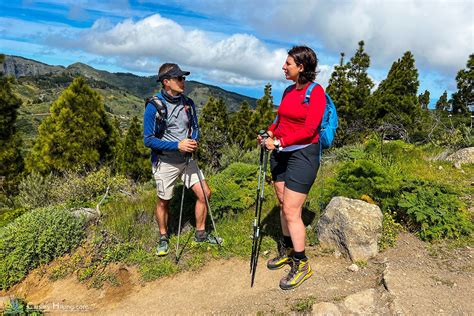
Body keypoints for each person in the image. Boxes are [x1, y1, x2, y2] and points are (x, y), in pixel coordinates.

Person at [259, 46, 326, 290]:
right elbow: (280, 121)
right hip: (281, 154)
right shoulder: (289, 90)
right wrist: (269, 132)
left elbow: (310, 129)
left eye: (288, 63)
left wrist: (279, 141)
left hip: (303, 155)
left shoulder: (316, 92)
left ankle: (302, 263)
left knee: (291, 209)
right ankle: (289, 250)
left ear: (302, 67)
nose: (283, 67)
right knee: (282, 204)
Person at [143, 63, 222, 257]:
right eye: (179, 78)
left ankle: (200, 234)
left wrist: (193, 140)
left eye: (183, 78)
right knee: (164, 201)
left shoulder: (188, 103)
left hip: (187, 159)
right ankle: (163, 237)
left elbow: (194, 127)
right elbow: (148, 140)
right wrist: (177, 145)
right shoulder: (154, 107)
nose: (183, 81)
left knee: (205, 194)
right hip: (165, 162)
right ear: (166, 82)